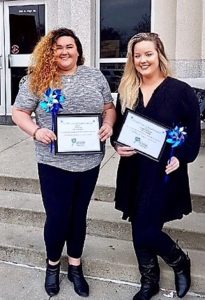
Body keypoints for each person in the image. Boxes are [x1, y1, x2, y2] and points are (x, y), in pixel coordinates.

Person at [12, 27, 116, 297]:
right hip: (53, 162)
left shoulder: (94, 76)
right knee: (58, 218)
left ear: (78, 50)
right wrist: (36, 131)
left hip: (90, 161)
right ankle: (52, 265)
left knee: (78, 217)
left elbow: (109, 108)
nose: (65, 51)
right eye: (58, 47)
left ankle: (76, 266)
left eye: (70, 46)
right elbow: (19, 112)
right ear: (50, 51)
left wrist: (108, 124)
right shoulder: (38, 79)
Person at [111, 32, 201, 300]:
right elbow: (118, 130)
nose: (142, 60)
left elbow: (190, 134)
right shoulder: (127, 89)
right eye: (137, 55)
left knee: (146, 229)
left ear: (159, 55)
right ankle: (149, 280)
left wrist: (181, 156)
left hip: (164, 172)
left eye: (148, 54)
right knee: (139, 224)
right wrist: (117, 145)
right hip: (133, 171)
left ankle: (178, 260)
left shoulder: (180, 91)